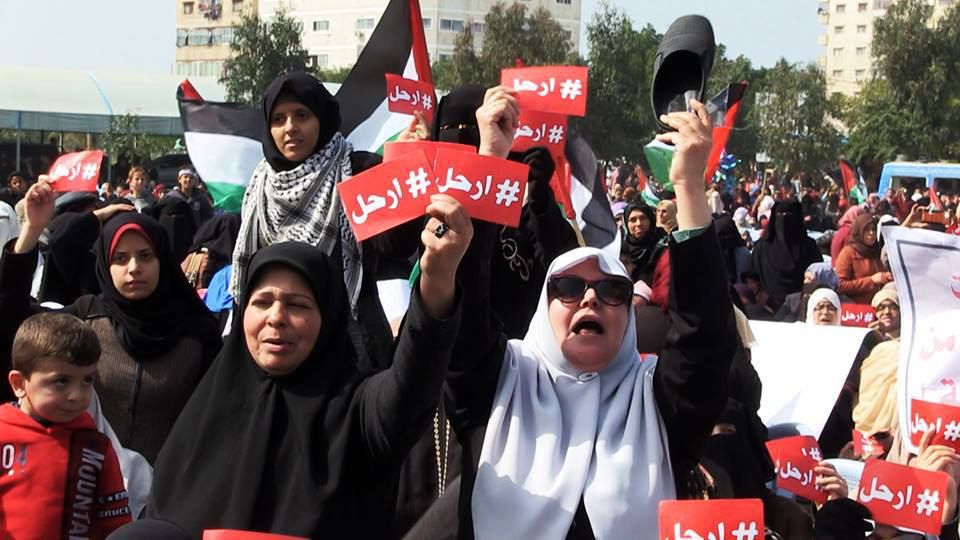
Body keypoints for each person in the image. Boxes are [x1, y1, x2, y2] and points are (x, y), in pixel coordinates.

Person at [442, 92, 737, 538]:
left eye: (612, 290)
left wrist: (689, 187)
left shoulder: (657, 401)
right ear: (544, 306)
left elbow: (705, 337)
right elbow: (463, 307)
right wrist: (491, 159)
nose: (590, 299)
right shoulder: (499, 381)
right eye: (568, 287)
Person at [139, 194, 470, 538]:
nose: (276, 318)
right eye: (262, 302)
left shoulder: (357, 414)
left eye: (297, 305)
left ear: (327, 318)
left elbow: (413, 383)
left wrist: (437, 280)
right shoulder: (204, 412)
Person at [0, 178, 222, 463]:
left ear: (162, 260)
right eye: (120, 258)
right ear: (104, 263)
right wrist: (32, 229)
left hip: (169, 492)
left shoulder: (197, 332)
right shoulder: (88, 316)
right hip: (87, 485)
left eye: (145, 256)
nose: (133, 268)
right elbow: (13, 321)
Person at [231, 71, 419, 371]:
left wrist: (401, 171)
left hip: (351, 351)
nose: (290, 128)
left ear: (322, 117)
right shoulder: (259, 186)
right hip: (280, 346)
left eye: (301, 115)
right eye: (279, 119)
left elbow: (395, 244)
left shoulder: (358, 169)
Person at [0, 312, 131, 538]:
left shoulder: (95, 446)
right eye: (61, 381)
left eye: (87, 380)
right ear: (19, 383)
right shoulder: (4, 433)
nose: (76, 395)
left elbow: (116, 522)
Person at [748, 200, 823, 309]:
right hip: (767, 309)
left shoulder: (809, 247)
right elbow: (752, 277)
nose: (784, 219)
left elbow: (817, 276)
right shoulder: (762, 247)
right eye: (780, 215)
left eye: (789, 215)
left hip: (801, 307)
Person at [835, 214, 891, 304]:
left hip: (880, 306)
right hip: (858, 309)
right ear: (859, 231)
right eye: (867, 230)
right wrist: (871, 280)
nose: (871, 233)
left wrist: (887, 277)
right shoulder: (848, 253)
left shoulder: (878, 251)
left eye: (873, 229)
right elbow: (839, 285)